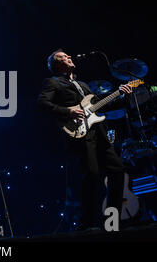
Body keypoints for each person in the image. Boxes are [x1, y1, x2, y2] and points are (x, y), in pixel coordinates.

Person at [37, 49, 132, 231]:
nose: (69, 57)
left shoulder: (83, 84)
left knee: (118, 171)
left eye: (68, 55)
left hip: (99, 132)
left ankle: (113, 222)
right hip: (81, 134)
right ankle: (87, 223)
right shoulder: (53, 82)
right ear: (56, 65)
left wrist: (119, 94)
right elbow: (42, 103)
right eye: (64, 57)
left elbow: (97, 104)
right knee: (92, 175)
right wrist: (68, 111)